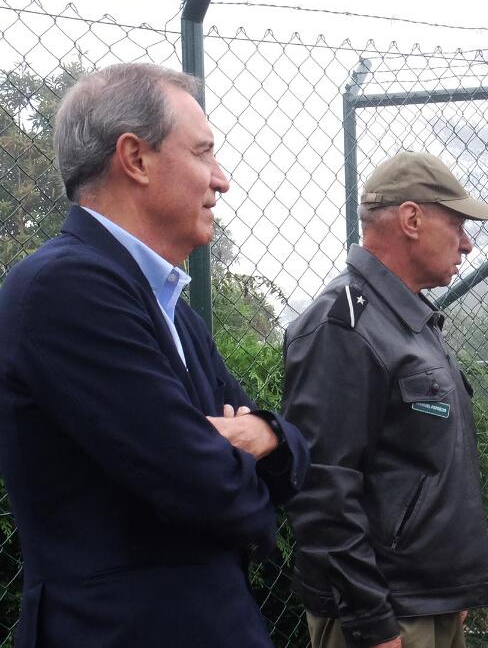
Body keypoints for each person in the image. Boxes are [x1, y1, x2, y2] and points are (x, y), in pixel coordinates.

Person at [0, 62, 309, 648]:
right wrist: (259, 478)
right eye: (203, 153)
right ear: (135, 158)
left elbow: (292, 455)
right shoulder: (62, 290)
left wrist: (268, 435)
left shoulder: (172, 308)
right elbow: (207, 489)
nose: (221, 180)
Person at [284, 152, 488, 648]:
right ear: (412, 219)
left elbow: (429, 469)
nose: (468, 243)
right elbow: (324, 486)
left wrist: (449, 588)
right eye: (456, 223)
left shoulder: (410, 323)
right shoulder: (342, 326)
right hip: (382, 618)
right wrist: (371, 623)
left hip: (425, 604)